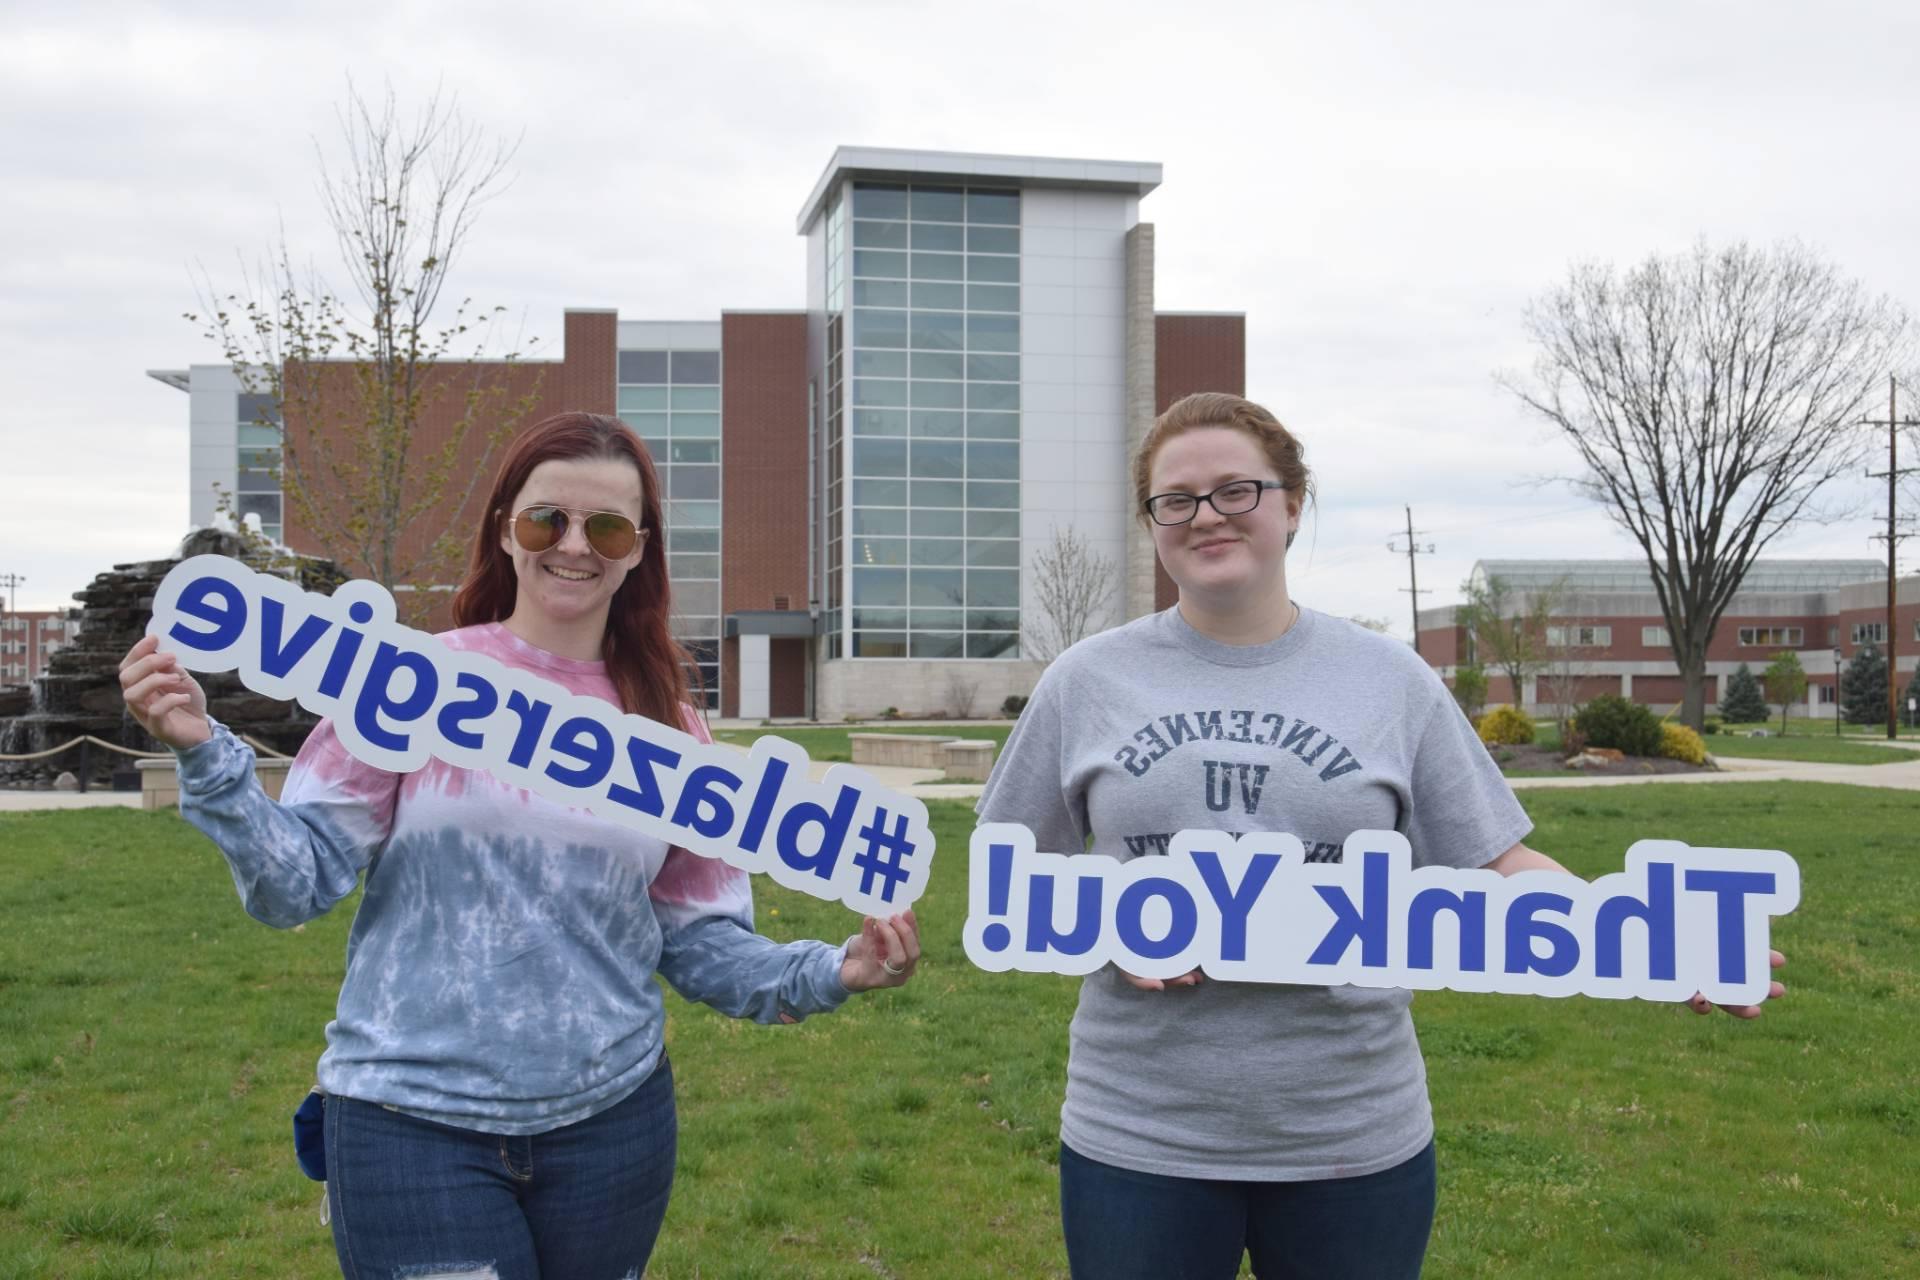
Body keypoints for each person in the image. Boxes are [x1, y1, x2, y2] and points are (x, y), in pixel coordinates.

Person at [974, 391, 1783, 1280]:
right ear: (1153, 522)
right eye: (1177, 499)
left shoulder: (1390, 680)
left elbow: (1498, 859)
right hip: (1140, 1137)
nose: (1206, 516)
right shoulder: (1086, 681)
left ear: (1292, 503)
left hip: (1352, 1140)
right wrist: (1104, 925)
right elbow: (1006, 873)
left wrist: (1654, 943)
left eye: (1236, 490)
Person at [120, 411, 921, 1279]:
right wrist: (207, 756)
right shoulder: (409, 685)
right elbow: (294, 885)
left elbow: (698, 943)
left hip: (611, 1131)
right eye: (548, 520)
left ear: (636, 550)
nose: (574, 545)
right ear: (507, 530)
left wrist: (829, 971)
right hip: (408, 1127)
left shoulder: (671, 735)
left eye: (606, 527)